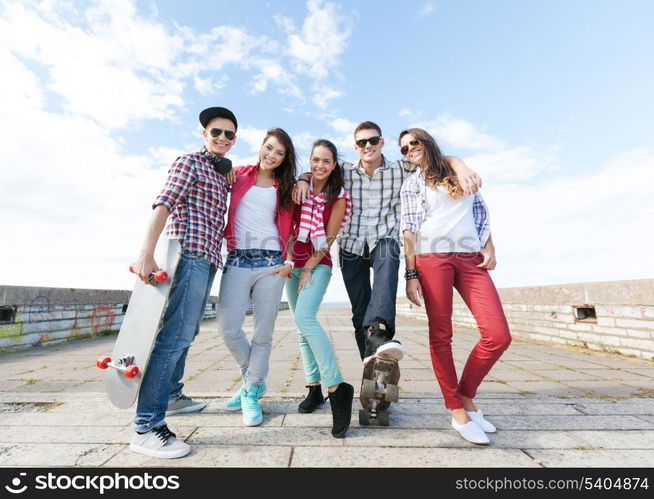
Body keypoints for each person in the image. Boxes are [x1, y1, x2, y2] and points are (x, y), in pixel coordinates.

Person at [295, 121, 482, 362]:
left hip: (384, 239)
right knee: (359, 312)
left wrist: (461, 166)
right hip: (351, 246)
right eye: (362, 142)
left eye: (373, 140)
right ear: (356, 146)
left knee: (388, 255)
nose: (368, 146)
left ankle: (380, 332)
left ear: (381, 142)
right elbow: (320, 168)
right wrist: (302, 178)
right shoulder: (345, 171)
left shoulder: (400, 169)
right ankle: (371, 367)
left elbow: (436, 160)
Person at [130, 106, 238, 458]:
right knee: (174, 336)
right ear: (204, 134)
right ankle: (146, 425)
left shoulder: (223, 173)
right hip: (188, 254)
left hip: (208, 260)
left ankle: (172, 396)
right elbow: (163, 203)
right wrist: (146, 253)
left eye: (229, 134)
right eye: (216, 132)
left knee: (187, 333)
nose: (222, 138)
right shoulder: (189, 162)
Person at [400, 128, 512, 445]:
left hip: (469, 257)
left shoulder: (460, 171)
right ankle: (457, 409)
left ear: (428, 143)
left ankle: (465, 394)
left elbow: (480, 213)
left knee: (498, 335)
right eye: (404, 149)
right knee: (441, 335)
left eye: (414, 144)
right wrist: (410, 275)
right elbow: (408, 231)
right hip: (431, 258)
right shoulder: (411, 185)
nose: (410, 151)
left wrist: (489, 246)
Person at [217, 128, 297, 427]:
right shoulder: (238, 175)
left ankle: (251, 392)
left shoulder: (287, 187)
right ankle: (256, 378)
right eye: (269, 148)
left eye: (279, 152)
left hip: (272, 265)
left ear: (285, 159)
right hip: (237, 260)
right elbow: (216, 169)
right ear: (261, 146)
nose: (272, 155)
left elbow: (293, 228)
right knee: (228, 329)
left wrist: (289, 261)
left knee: (263, 334)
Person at [286, 139, 355, 438]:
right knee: (301, 329)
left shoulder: (338, 195)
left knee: (305, 319)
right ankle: (313, 388)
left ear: (334, 164)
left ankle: (337, 387)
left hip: (319, 263)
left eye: (326, 161)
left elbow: (329, 238)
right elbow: (287, 225)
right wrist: (291, 263)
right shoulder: (298, 186)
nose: (320, 166)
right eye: (315, 160)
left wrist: (310, 268)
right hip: (291, 264)